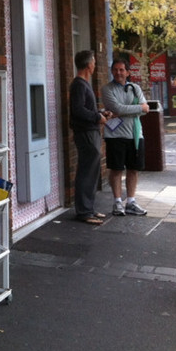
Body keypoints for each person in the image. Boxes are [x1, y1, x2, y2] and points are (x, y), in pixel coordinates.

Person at [101, 57, 150, 216]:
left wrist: (126, 110)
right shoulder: (107, 89)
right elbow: (116, 108)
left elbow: (146, 109)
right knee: (116, 169)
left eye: (122, 70)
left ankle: (130, 201)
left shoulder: (135, 88)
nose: (118, 72)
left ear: (128, 72)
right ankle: (117, 202)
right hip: (115, 135)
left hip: (135, 135)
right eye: (115, 69)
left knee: (133, 169)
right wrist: (137, 108)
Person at [69, 49, 109, 224]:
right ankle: (84, 212)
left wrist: (101, 113)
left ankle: (89, 209)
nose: (95, 65)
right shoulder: (78, 84)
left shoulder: (83, 84)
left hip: (90, 131)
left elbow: (85, 109)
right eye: (93, 61)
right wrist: (96, 117)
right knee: (86, 171)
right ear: (88, 65)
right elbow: (77, 110)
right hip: (85, 133)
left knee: (92, 172)